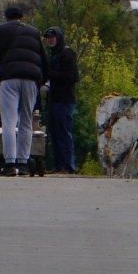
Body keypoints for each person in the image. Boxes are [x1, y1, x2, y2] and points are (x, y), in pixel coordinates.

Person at [0, 6, 48, 175]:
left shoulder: (1, 30)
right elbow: (43, 58)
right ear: (22, 16)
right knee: (27, 121)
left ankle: (10, 163)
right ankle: (23, 162)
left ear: (6, 17)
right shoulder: (34, 32)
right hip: (31, 79)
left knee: (9, 121)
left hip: (9, 78)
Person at [44, 27, 81, 174]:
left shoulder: (66, 53)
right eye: (48, 38)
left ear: (58, 37)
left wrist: (51, 75)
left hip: (65, 100)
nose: (50, 40)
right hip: (54, 99)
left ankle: (68, 165)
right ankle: (59, 165)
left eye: (53, 37)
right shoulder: (54, 55)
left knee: (64, 132)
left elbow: (73, 77)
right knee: (54, 133)